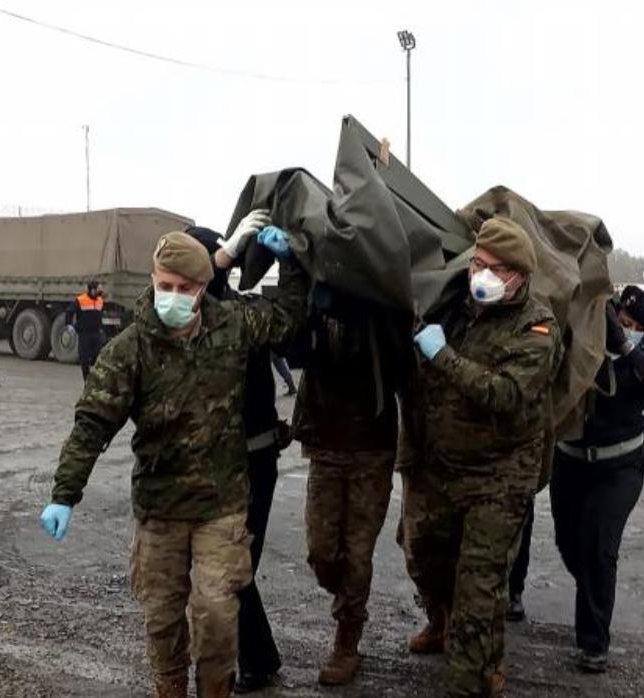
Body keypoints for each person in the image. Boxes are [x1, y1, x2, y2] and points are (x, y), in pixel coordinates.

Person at [39, 216, 306, 698]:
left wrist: (289, 265)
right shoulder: (131, 350)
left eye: (184, 287)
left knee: (218, 614)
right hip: (160, 508)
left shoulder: (233, 325)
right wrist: (65, 494)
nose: (173, 296)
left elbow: (287, 319)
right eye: (165, 285)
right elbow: (92, 424)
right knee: (163, 617)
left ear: (203, 288)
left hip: (220, 507)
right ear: (153, 280)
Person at [398, 217, 561, 697]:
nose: (481, 276)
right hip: (443, 466)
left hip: (500, 475)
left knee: (478, 589)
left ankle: (470, 680)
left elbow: (506, 395)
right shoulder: (454, 306)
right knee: (425, 559)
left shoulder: (538, 326)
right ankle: (479, 653)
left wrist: (442, 356)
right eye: (477, 264)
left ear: (520, 277)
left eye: (495, 269)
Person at [184, 225, 286, 694]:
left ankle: (258, 659)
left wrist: (293, 264)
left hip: (254, 460)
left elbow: (289, 329)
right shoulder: (184, 316)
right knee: (228, 564)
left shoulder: (241, 315)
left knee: (233, 564)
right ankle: (260, 656)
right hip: (214, 465)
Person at [550, 286, 644, 673]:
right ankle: (592, 590)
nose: (624, 327)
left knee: (599, 547)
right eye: (620, 320)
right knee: (569, 544)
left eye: (633, 325)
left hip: (619, 469)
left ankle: (593, 644)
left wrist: (625, 346)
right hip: (570, 463)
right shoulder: (584, 344)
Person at [292, 284, 401, 687]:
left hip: (371, 446)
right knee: (322, 551)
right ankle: (348, 597)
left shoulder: (383, 309)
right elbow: (291, 349)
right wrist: (312, 308)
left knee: (357, 552)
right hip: (324, 442)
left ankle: (347, 637)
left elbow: (402, 366)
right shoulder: (315, 304)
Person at [67, 280, 106, 381]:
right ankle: (87, 380)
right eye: (99, 288)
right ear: (92, 290)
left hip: (96, 333)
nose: (100, 290)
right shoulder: (80, 300)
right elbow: (69, 311)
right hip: (84, 334)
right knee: (84, 359)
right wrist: (69, 325)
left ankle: (98, 380)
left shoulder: (100, 300)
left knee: (99, 357)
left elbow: (100, 314)